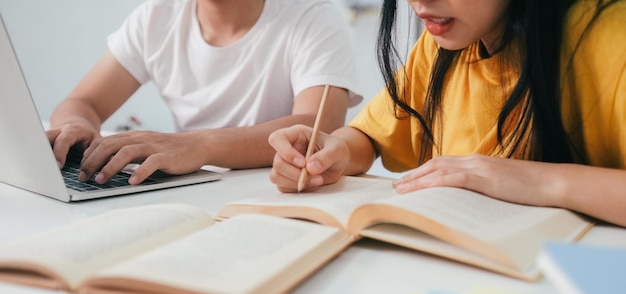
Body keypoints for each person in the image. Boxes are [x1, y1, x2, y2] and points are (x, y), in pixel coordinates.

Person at [268, 0, 626, 227]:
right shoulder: (441, 45)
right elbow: (370, 136)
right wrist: (335, 151)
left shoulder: (611, 36)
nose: (419, 3)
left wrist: (540, 180)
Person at [47, 0, 362, 185]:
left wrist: (197, 145)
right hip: (187, 190)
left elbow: (320, 127)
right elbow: (83, 102)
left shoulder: (314, 15)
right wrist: (76, 126)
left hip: (276, 192)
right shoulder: (157, 15)